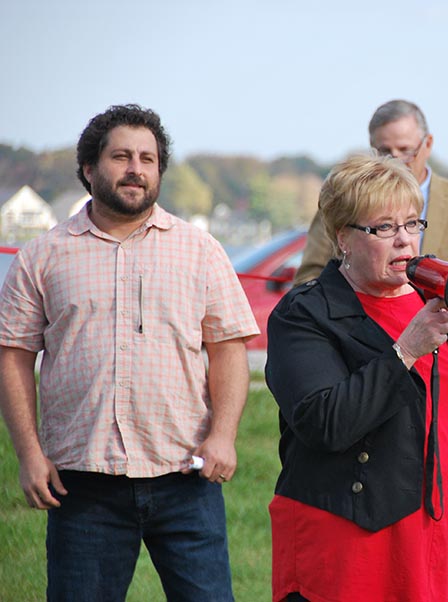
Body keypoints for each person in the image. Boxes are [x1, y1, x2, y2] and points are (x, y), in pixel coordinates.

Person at [0, 104, 259, 601]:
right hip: (83, 486)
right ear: (89, 169)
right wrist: (29, 455)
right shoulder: (43, 256)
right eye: (121, 156)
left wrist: (223, 436)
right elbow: (12, 357)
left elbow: (227, 350)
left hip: (187, 476)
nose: (136, 168)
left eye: (148, 158)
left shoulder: (200, 250)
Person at [266, 153, 448, 602]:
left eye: (411, 224)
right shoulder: (304, 314)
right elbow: (325, 423)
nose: (404, 241)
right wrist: (404, 352)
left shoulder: (437, 303)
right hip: (353, 546)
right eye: (384, 228)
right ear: (343, 237)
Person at [294, 99, 448, 329]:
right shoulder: (344, 201)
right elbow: (309, 278)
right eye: (385, 151)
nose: (396, 160)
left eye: (406, 150)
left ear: (427, 144)